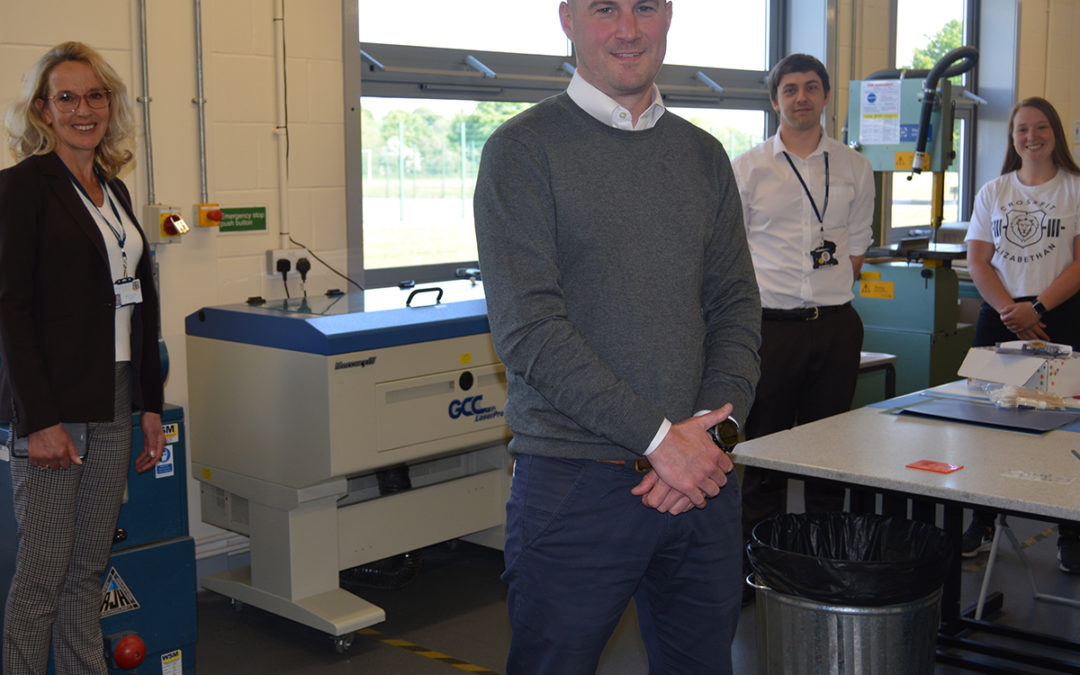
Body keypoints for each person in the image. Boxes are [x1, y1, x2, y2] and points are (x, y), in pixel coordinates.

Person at [473, 1, 761, 672]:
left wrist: (711, 437)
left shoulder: (703, 156)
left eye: (645, 8)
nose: (628, 29)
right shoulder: (521, 152)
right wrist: (663, 442)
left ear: (668, 17)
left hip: (703, 484)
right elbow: (532, 331)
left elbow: (736, 309)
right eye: (606, 8)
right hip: (577, 486)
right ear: (569, 18)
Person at [0, 41, 166, 672]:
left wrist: (148, 403)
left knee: (87, 568)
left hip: (114, 394)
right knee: (42, 575)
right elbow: (10, 309)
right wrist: (37, 419)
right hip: (55, 402)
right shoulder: (21, 189)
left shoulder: (116, 191)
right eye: (66, 97)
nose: (83, 109)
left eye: (95, 95)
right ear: (42, 111)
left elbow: (138, 304)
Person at [731, 53, 874, 543]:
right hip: (772, 329)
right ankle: (758, 561)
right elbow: (731, 253)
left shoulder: (854, 166)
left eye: (811, 87)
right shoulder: (748, 169)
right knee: (765, 452)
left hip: (836, 326)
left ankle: (822, 557)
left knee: (830, 452)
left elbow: (857, 245)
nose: (801, 98)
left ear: (826, 96)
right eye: (789, 89)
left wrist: (826, 286)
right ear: (775, 101)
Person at [963, 96, 1080, 574]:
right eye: (1021, 130)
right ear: (1012, 139)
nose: (1031, 137)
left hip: (1061, 312)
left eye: (1040, 127)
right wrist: (1011, 310)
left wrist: (1037, 308)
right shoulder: (994, 190)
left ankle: (1071, 529)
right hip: (1001, 315)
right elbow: (978, 259)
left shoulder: (1075, 189)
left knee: (1066, 423)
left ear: (1055, 133)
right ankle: (983, 517)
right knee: (989, 420)